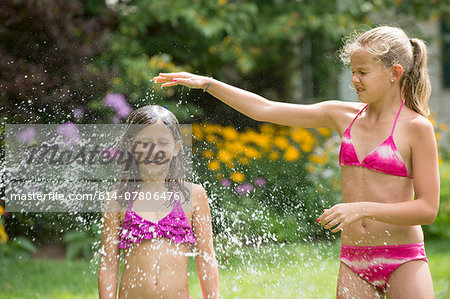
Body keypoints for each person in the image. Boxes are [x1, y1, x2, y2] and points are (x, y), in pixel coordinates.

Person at [153, 26, 440, 298]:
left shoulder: (416, 127)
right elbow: (265, 109)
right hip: (354, 261)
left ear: (395, 73)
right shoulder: (342, 115)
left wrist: (361, 209)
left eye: (363, 72)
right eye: (352, 71)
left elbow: (427, 209)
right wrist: (208, 84)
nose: (354, 79)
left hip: (403, 258)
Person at [98, 105, 220, 299]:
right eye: (144, 143)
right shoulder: (117, 199)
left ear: (176, 147)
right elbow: (108, 264)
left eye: (163, 142)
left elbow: (206, 259)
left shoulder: (194, 195)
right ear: (130, 146)